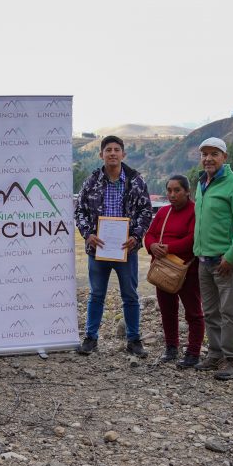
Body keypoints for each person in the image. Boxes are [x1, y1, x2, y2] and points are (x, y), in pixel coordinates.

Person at [75, 135, 152, 356]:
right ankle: (90, 338)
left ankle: (134, 340)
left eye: (116, 149)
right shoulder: (91, 181)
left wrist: (136, 237)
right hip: (97, 249)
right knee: (96, 294)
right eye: (108, 149)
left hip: (126, 249)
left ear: (123, 154)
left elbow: (146, 212)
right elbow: (79, 211)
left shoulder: (136, 181)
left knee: (130, 295)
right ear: (101, 154)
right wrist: (88, 234)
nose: (112, 153)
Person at [192, 137, 233, 380]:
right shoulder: (201, 183)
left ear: (224, 157)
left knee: (230, 312)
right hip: (203, 259)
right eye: (204, 154)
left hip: (226, 261)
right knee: (210, 311)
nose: (208, 158)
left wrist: (231, 256)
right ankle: (215, 353)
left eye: (214, 153)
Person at [144, 175, 205, 368]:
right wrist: (152, 245)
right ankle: (171, 347)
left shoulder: (195, 211)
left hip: (187, 270)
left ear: (187, 191)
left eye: (177, 190)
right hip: (163, 269)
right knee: (167, 310)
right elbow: (150, 234)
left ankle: (193, 352)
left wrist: (168, 248)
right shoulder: (163, 212)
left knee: (193, 313)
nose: (172, 194)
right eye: (169, 190)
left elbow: (192, 239)